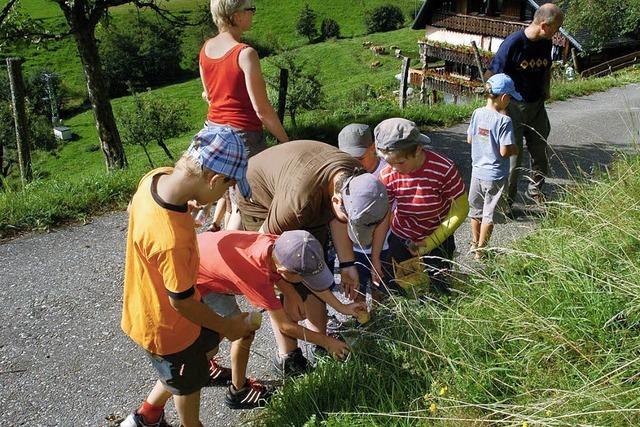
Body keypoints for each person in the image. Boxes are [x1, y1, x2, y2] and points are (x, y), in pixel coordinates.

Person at [120, 129, 259, 427]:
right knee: (188, 393)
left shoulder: (156, 178)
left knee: (199, 356)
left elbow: (137, 210)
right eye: (228, 186)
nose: (225, 195)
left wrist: (186, 208)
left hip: (144, 309)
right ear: (213, 180)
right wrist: (228, 326)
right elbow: (182, 303)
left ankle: (146, 416)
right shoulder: (172, 239)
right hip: (170, 329)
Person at [237, 140, 389, 369]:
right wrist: (288, 291)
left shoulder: (352, 176)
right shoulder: (298, 205)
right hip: (259, 195)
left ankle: (322, 343)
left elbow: (338, 217)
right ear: (336, 200)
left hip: (302, 186)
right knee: (290, 273)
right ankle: (289, 357)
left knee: (313, 265)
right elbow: (261, 252)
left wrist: (347, 264)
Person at [196, 229, 367, 406]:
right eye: (302, 275)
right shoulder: (256, 275)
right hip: (195, 280)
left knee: (234, 327)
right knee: (243, 331)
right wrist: (327, 342)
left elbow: (281, 272)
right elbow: (285, 326)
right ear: (285, 270)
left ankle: (203, 364)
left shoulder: (284, 244)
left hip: (208, 255)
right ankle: (237, 391)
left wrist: (343, 307)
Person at [200, 0, 289, 230]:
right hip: (243, 138)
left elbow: (208, 96)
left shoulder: (206, 49)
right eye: (250, 9)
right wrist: (286, 141)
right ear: (236, 16)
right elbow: (262, 110)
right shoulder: (245, 53)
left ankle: (226, 253)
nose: (253, 14)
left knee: (231, 200)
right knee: (248, 204)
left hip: (214, 134)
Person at [372, 118, 469, 294]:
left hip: (438, 238)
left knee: (439, 288)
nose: (393, 169)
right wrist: (376, 255)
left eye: (400, 162)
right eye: (388, 162)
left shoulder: (443, 168)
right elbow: (384, 215)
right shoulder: (387, 175)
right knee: (401, 286)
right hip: (402, 238)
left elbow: (461, 208)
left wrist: (430, 243)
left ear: (418, 150)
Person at [486, 3, 564, 206]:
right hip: (513, 108)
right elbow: (492, 76)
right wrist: (498, 109)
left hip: (537, 105)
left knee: (540, 151)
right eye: (556, 28)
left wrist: (546, 91)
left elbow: (547, 68)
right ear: (545, 25)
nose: (557, 33)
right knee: (513, 159)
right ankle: (506, 203)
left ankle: (535, 191)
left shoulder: (546, 43)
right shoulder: (513, 43)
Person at [337, 124, 395, 303]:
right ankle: (361, 320)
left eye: (360, 158)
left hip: (382, 245)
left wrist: (375, 257)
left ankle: (381, 320)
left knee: (380, 287)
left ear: (373, 148)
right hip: (352, 249)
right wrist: (345, 260)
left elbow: (384, 220)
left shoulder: (386, 174)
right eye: (348, 158)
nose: (354, 164)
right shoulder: (342, 174)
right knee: (356, 287)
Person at [467, 74, 520, 259]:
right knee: (489, 214)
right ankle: (481, 250)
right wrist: (516, 149)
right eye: (510, 97)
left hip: (477, 171)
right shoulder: (504, 121)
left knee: (476, 211)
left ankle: (474, 243)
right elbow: (505, 151)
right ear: (504, 98)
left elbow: (469, 139)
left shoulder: (477, 113)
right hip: (495, 174)